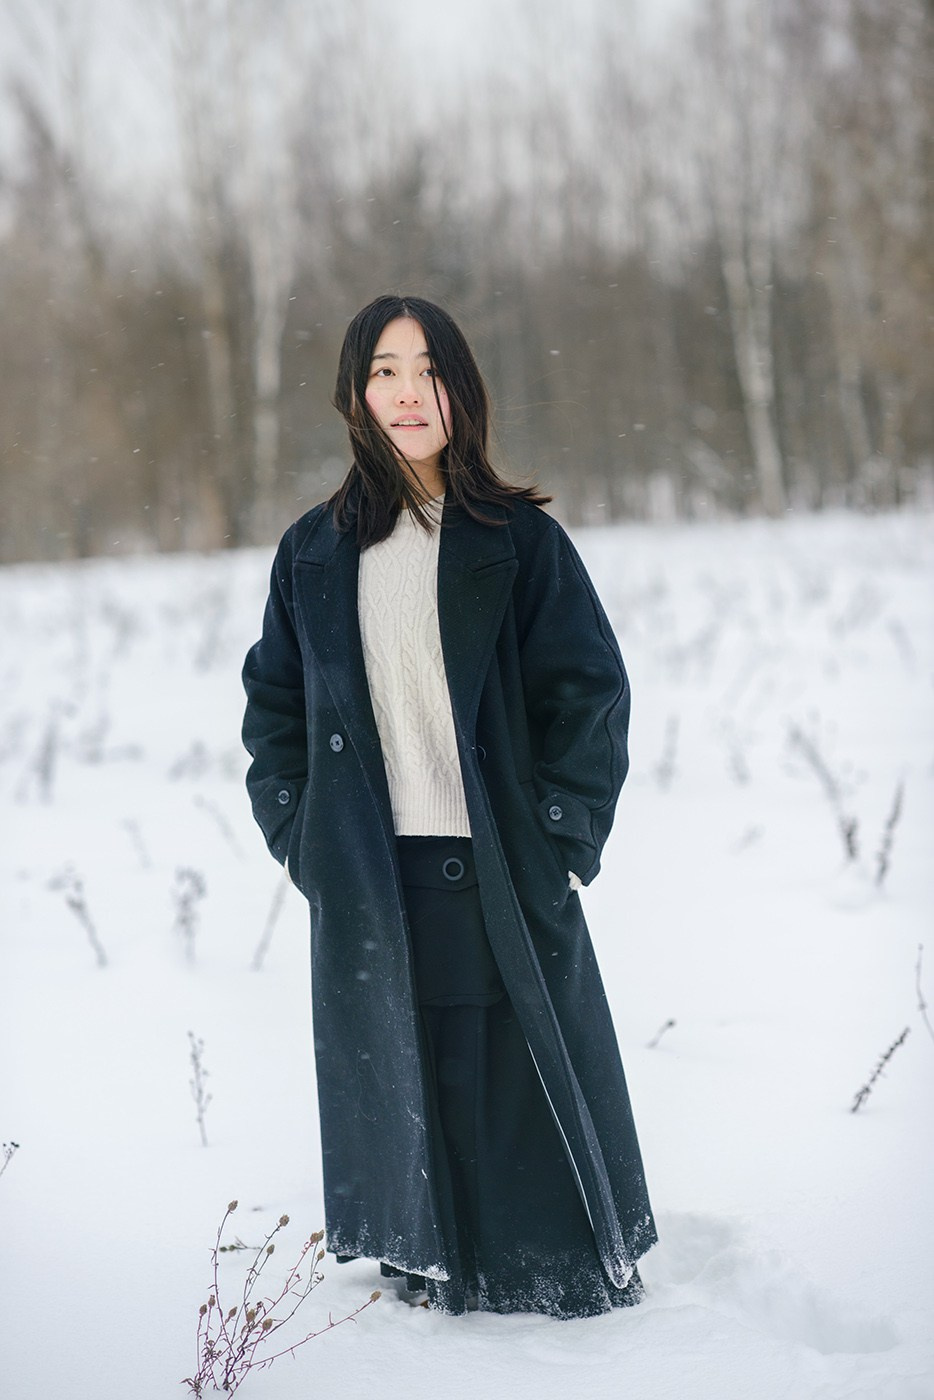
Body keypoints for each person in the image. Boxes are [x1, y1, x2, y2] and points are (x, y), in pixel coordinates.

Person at [241, 294, 656, 1319]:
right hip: (376, 870)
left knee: (519, 1074)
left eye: (427, 368)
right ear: (356, 391)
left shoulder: (515, 539)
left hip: (505, 860)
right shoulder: (314, 551)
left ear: (459, 389)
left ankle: (547, 1276)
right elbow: (273, 712)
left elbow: (588, 693)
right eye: (384, 368)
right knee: (405, 1067)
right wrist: (305, 840)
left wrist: (563, 834)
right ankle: (426, 1266)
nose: (406, 390)